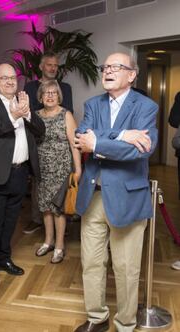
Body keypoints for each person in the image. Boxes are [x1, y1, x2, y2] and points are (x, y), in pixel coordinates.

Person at [74, 52, 158, 332]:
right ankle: (97, 318)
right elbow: (81, 138)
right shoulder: (92, 103)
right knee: (92, 264)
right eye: (105, 66)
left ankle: (125, 324)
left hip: (128, 199)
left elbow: (139, 149)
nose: (107, 71)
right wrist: (122, 134)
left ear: (132, 74)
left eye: (115, 67)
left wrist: (99, 141)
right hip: (93, 196)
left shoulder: (146, 107)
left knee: (126, 269)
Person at [0, 63, 45, 288]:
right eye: (3, 78)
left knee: (10, 223)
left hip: (19, 173)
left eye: (12, 78)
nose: (9, 81)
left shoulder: (22, 102)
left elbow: (40, 131)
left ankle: (4, 259)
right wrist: (14, 116)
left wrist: (27, 113)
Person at [23, 52, 73, 235]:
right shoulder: (29, 87)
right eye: (49, 65)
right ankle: (38, 221)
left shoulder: (65, 87)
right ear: (41, 67)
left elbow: (69, 111)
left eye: (55, 65)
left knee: (59, 191)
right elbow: (26, 112)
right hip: (38, 143)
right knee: (39, 188)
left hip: (60, 145)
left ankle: (60, 228)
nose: (52, 68)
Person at [34, 80, 81, 264]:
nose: (50, 96)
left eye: (54, 92)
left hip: (61, 168)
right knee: (45, 206)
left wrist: (78, 169)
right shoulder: (36, 115)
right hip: (42, 169)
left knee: (58, 208)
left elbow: (74, 144)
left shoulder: (65, 115)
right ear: (40, 97)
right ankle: (48, 241)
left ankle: (60, 245)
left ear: (59, 95)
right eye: (46, 93)